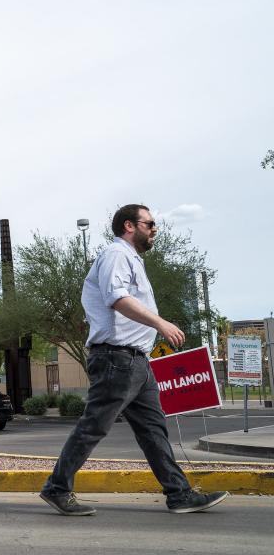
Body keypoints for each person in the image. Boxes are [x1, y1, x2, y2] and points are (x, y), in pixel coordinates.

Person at [40, 204, 228, 516]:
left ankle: (179, 494)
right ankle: (57, 487)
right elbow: (117, 298)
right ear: (130, 225)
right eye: (150, 223)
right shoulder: (117, 255)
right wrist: (160, 323)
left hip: (136, 362)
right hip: (117, 358)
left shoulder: (133, 260)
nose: (155, 229)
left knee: (154, 430)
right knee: (94, 426)